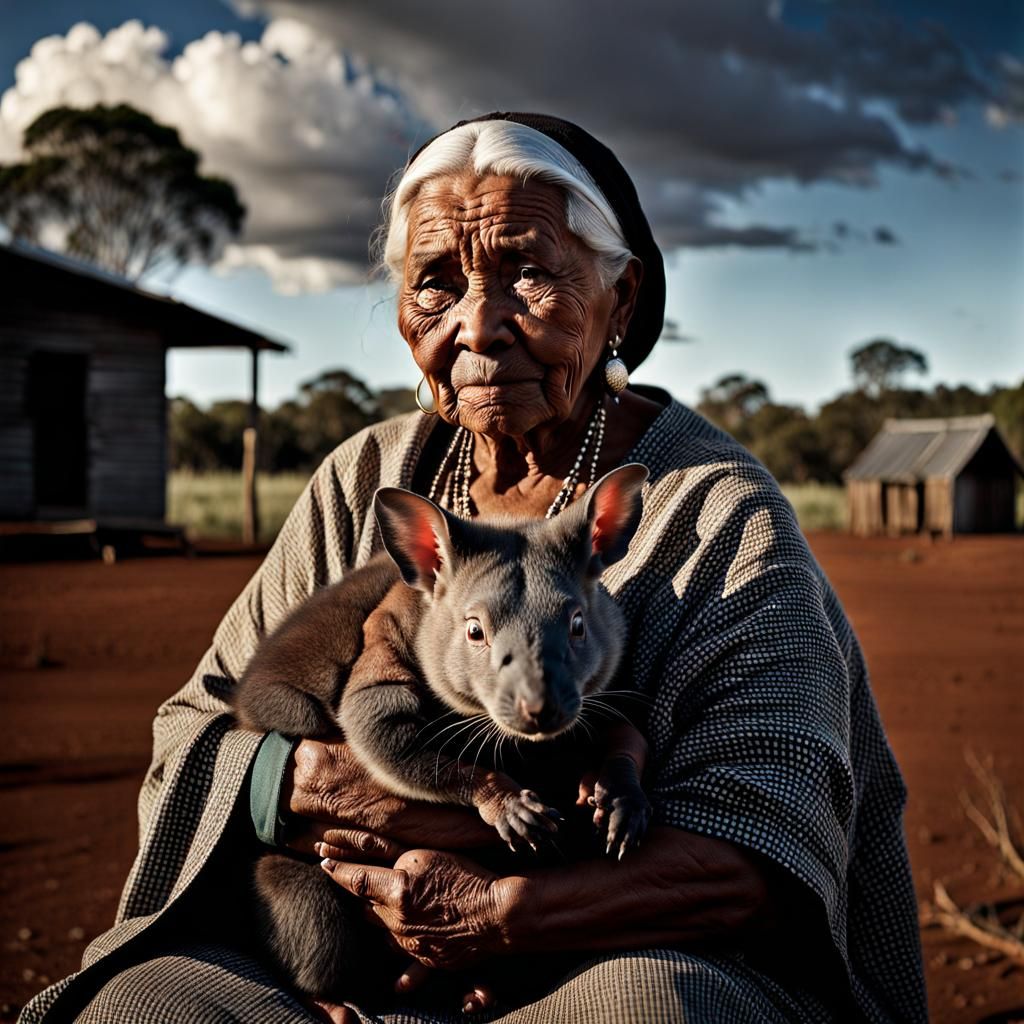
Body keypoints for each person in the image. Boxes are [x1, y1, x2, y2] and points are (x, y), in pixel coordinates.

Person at [21, 113, 927, 1024]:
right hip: (334, 951)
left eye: (529, 272)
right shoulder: (365, 481)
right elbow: (193, 735)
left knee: (655, 1009)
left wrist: (505, 915)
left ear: (622, 297)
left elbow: (759, 851)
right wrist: (321, 785)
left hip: (601, 965)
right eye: (435, 284)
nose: (478, 325)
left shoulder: (718, 516)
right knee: (150, 1009)